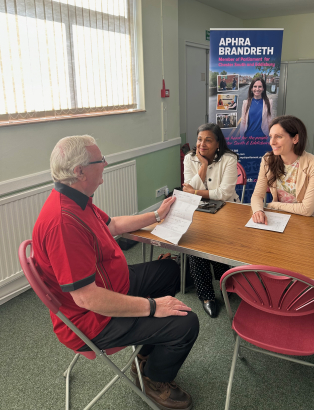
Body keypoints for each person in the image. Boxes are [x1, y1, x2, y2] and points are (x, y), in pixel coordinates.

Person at [32, 135, 199, 410]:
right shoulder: (63, 223)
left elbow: (112, 225)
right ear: (79, 171)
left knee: (171, 271)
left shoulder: (76, 198)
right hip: (94, 318)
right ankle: (155, 381)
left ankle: (146, 356)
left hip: (111, 286)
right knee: (186, 323)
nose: (106, 164)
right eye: (100, 161)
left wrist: (157, 215)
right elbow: (87, 299)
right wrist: (153, 306)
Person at [182, 124, 239, 318]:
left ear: (217, 143)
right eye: (199, 139)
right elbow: (187, 189)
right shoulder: (190, 159)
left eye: (208, 140)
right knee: (196, 244)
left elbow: (224, 194)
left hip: (227, 211)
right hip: (198, 209)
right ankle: (206, 296)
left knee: (219, 241)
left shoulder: (229, 159)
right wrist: (203, 167)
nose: (201, 144)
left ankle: (224, 281)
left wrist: (196, 191)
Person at [251, 116, 314, 223]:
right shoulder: (268, 160)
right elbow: (257, 195)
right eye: (271, 136)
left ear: (295, 139)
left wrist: (274, 205)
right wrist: (258, 211)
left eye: (278, 137)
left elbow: (307, 210)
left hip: (308, 220)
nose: (272, 142)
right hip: (281, 217)